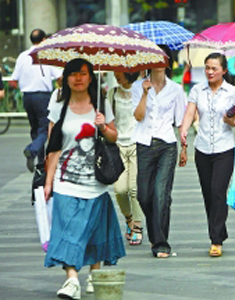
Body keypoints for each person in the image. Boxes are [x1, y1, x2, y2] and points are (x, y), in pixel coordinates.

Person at [44, 58, 125, 299]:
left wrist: (103, 126)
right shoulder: (59, 105)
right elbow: (53, 147)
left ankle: (94, 275)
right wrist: (48, 181)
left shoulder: (100, 104)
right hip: (65, 181)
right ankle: (71, 280)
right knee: (68, 229)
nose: (78, 78)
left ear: (91, 77)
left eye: (82, 74)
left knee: (94, 231)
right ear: (66, 79)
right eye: (73, 74)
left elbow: (113, 137)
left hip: (96, 182)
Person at [180, 53, 235, 257]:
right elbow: (190, 112)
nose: (209, 71)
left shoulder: (232, 91)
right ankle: (219, 230)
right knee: (208, 194)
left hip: (224, 148)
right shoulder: (197, 90)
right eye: (207, 67)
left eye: (214, 68)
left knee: (218, 191)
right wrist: (183, 130)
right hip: (202, 147)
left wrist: (233, 121)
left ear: (224, 71)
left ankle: (215, 239)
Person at [131, 46, 187, 258]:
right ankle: (156, 231)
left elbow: (181, 122)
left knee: (161, 194)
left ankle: (161, 243)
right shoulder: (138, 86)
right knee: (144, 196)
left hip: (167, 145)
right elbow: (137, 116)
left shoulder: (176, 90)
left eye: (161, 58)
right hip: (144, 143)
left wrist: (184, 148)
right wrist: (145, 93)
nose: (157, 63)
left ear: (167, 62)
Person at [11, 29, 62, 172]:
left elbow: (14, 80)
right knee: (45, 128)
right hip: (42, 96)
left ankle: (39, 161)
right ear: (44, 39)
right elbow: (59, 77)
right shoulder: (47, 54)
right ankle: (33, 151)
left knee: (35, 129)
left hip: (27, 96)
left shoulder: (22, 56)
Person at [108, 71, 145, 246]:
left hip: (137, 145)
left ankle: (137, 226)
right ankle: (129, 218)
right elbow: (108, 119)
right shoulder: (112, 93)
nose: (116, 75)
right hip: (118, 147)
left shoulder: (141, 90)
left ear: (129, 73)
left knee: (134, 188)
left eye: (119, 72)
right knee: (120, 189)